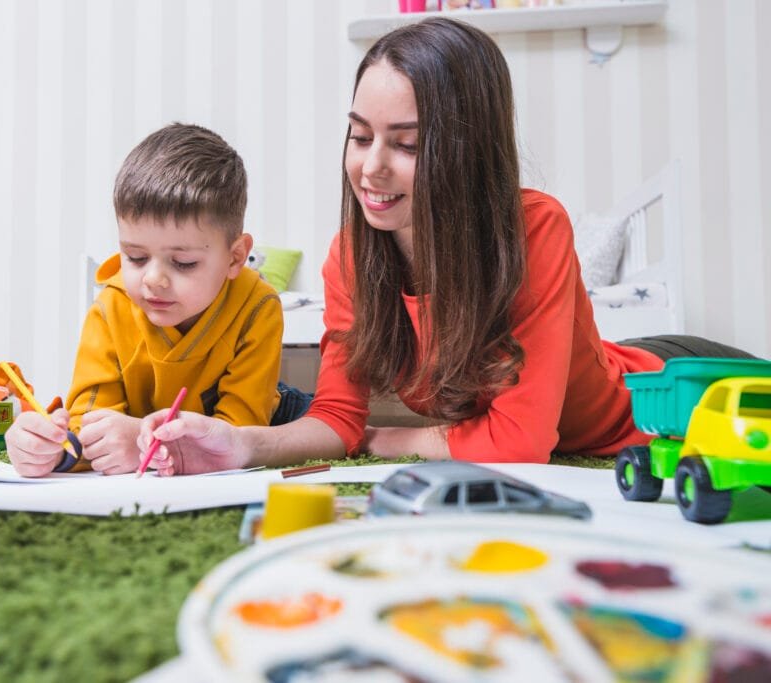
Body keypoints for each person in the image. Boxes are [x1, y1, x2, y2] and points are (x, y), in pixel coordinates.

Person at [135, 17, 757, 476]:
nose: (370, 168)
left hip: (667, 387)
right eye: (359, 136)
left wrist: (379, 439)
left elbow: (518, 445)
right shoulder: (351, 257)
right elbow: (335, 418)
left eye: (406, 145)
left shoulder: (534, 229)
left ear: (465, 150)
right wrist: (238, 444)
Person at [5, 123, 310, 476]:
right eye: (135, 257)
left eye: (183, 263)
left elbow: (238, 432)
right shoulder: (110, 309)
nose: (153, 279)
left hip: (266, 416)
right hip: (146, 426)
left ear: (235, 257)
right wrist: (50, 450)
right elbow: (87, 428)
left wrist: (147, 443)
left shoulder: (258, 306)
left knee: (332, 430)